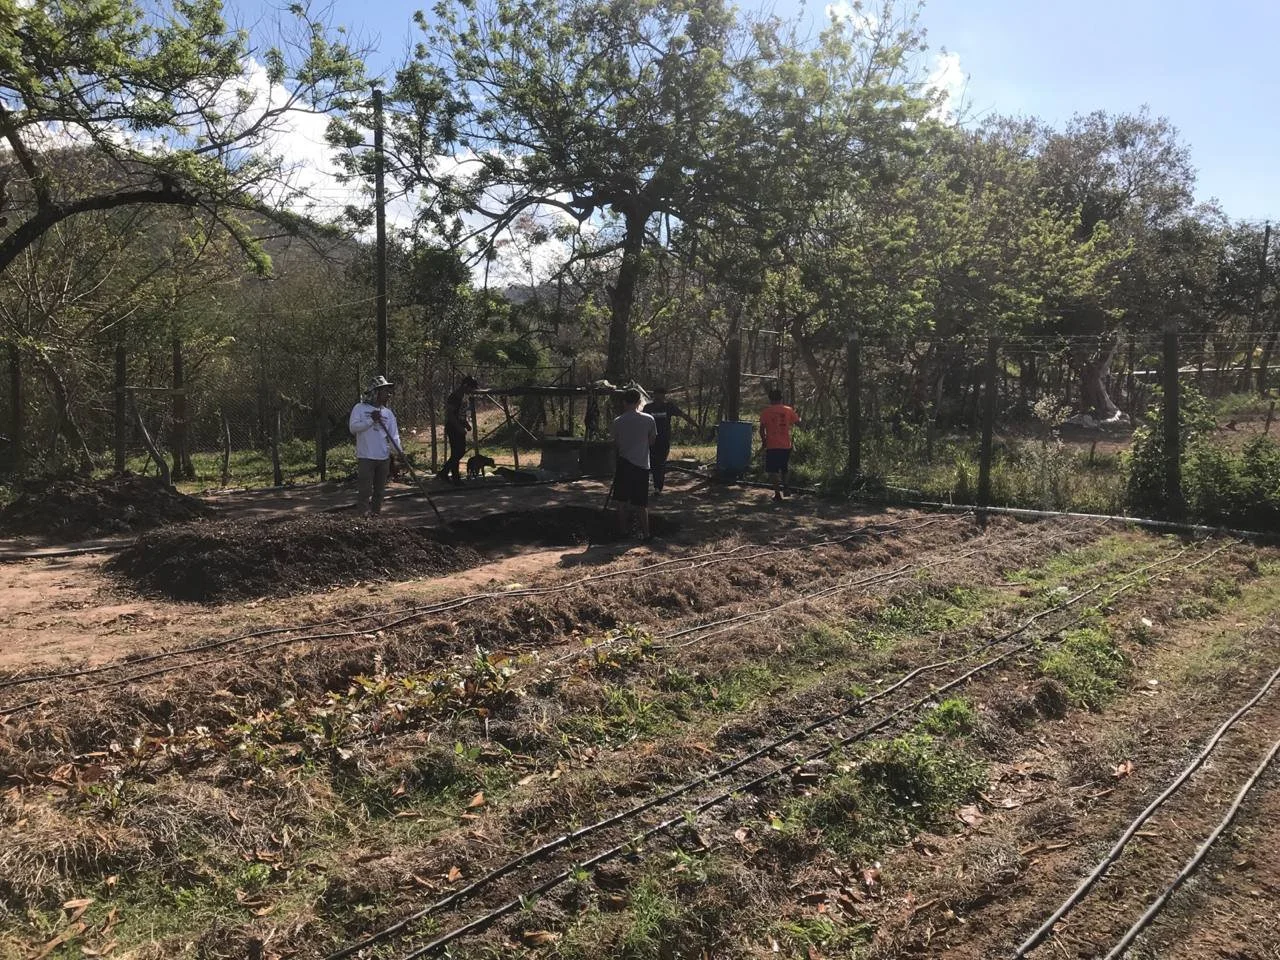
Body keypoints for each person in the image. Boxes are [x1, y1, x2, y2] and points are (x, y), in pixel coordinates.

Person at [349, 375, 401, 516]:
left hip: (383, 457)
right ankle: (362, 519)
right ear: (376, 392)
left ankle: (376, 517)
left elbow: (394, 435)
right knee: (365, 490)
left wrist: (398, 453)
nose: (388, 394)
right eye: (385, 391)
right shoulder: (359, 408)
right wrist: (371, 421)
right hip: (366, 456)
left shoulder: (388, 413)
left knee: (379, 491)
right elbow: (353, 428)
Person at [611, 388, 657, 539]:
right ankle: (646, 534)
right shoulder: (649, 419)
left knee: (621, 501)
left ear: (624, 402)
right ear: (639, 402)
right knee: (641, 503)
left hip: (624, 464)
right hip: (642, 465)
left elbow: (616, 443)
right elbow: (652, 441)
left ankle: (623, 531)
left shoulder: (618, 421)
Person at [643, 386, 696, 495]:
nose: (659, 397)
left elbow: (683, 415)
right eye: (657, 394)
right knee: (653, 463)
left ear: (664, 396)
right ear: (654, 395)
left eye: (661, 395)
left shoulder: (669, 407)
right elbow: (642, 422)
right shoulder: (648, 408)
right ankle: (656, 485)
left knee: (661, 463)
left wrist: (696, 425)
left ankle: (658, 487)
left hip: (664, 439)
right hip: (651, 439)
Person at [759, 387, 801, 502]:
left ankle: (777, 494)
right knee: (784, 468)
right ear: (781, 398)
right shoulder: (788, 410)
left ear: (770, 399)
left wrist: (764, 441)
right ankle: (786, 486)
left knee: (773, 470)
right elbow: (798, 423)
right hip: (785, 444)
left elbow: (761, 429)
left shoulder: (766, 412)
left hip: (772, 445)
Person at [439, 375, 477, 486]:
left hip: (459, 426)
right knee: (458, 452)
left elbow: (460, 414)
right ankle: (448, 474)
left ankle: (449, 475)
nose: (471, 391)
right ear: (465, 386)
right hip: (453, 427)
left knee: (458, 452)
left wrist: (465, 424)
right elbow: (450, 414)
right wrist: (458, 427)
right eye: (471, 388)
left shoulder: (462, 397)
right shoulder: (455, 396)